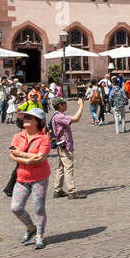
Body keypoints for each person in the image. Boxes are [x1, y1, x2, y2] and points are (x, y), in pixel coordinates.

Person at [10, 108, 52, 249]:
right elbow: (12, 155)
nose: (25, 120)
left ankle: (40, 235)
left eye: (29, 118)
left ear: (38, 122)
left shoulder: (44, 138)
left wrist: (21, 155)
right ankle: (30, 228)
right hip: (21, 177)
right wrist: (29, 159)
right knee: (16, 208)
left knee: (38, 208)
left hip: (39, 178)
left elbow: (40, 159)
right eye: (25, 117)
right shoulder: (18, 136)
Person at [49, 96, 86, 199]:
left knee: (61, 168)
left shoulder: (57, 115)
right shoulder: (59, 116)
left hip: (61, 145)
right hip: (64, 145)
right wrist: (81, 106)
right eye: (64, 103)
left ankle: (58, 190)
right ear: (60, 105)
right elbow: (76, 119)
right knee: (68, 168)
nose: (66, 105)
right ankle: (72, 191)